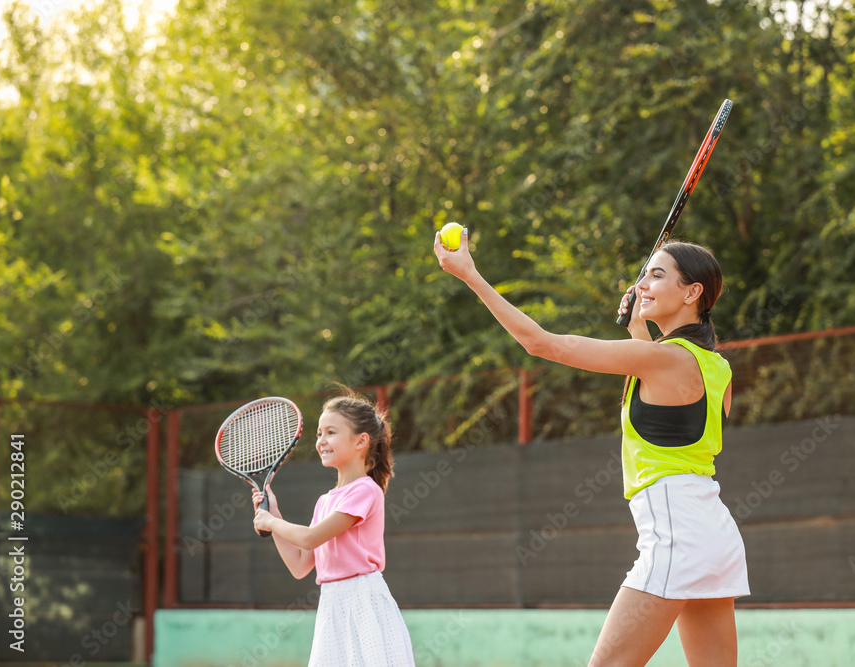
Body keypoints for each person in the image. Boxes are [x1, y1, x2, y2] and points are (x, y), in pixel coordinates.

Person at [434, 229, 748, 667]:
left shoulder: (661, 359)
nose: (642, 285)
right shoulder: (717, 367)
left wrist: (470, 275)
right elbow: (670, 397)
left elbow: (542, 344)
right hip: (713, 534)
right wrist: (640, 330)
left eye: (656, 276)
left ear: (692, 292)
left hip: (678, 529)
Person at [252, 389, 416, 667]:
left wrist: (271, 521)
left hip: (364, 602)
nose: (321, 441)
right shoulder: (325, 501)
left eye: (331, 432)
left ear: (361, 441)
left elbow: (310, 537)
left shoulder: (366, 490)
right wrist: (275, 513)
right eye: (318, 434)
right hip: (332, 605)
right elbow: (300, 565)